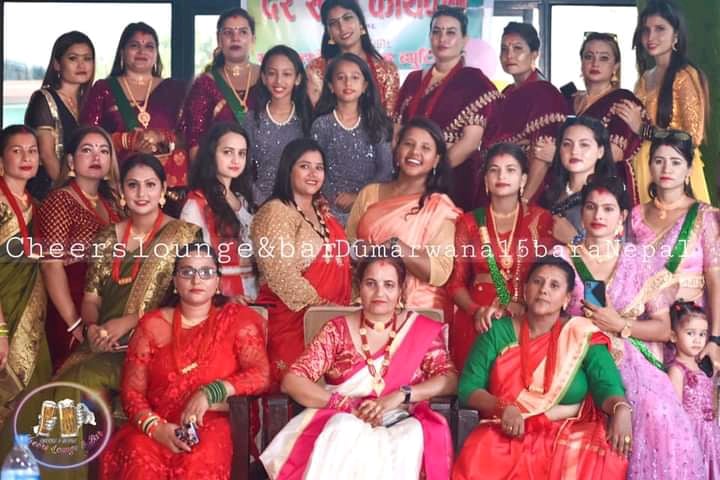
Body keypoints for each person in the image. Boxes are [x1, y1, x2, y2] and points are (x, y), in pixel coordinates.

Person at [557, 175, 706, 479]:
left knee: (657, 411)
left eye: (608, 209)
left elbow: (663, 328)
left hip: (633, 358)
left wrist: (620, 325)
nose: (598, 215)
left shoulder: (637, 260)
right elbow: (545, 316)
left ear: (622, 216)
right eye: (591, 207)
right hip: (577, 355)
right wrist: (584, 326)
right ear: (582, 213)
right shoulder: (562, 258)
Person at [260, 254, 457, 479]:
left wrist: (401, 395)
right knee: (345, 428)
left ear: (401, 290)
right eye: (371, 283)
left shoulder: (421, 331)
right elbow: (292, 381)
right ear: (359, 287)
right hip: (344, 416)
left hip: (399, 418)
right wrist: (345, 405)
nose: (380, 293)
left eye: (389, 285)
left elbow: (449, 379)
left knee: (410, 435)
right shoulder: (337, 331)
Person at [99, 242, 270, 479]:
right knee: (137, 453)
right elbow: (132, 393)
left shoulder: (237, 321)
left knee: (198, 460)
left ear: (218, 282)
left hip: (211, 422)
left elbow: (260, 375)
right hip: (157, 424)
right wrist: (157, 428)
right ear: (175, 282)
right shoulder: (152, 325)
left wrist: (211, 392)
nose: (196, 279)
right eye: (187, 272)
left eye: (206, 272)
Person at [453, 255, 631, 479]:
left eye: (554, 285)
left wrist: (621, 408)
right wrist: (502, 408)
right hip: (509, 429)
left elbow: (607, 384)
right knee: (480, 452)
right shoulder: (497, 332)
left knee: (607, 457)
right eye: (537, 282)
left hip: (570, 429)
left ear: (566, 299)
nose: (544, 290)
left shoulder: (581, 334)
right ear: (525, 290)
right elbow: (468, 388)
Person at [251, 138, 351, 388]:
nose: (313, 174)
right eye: (305, 166)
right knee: (297, 390)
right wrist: (324, 310)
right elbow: (280, 273)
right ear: (289, 169)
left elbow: (342, 263)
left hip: (332, 322)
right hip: (295, 323)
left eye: (319, 168)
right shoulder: (276, 212)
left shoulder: (322, 213)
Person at [447, 143, 554, 368]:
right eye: (494, 170)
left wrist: (526, 307)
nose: (501, 176)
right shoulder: (469, 222)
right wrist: (476, 311)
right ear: (486, 180)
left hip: (526, 318)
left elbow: (553, 274)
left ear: (523, 179)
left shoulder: (540, 219)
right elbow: (456, 284)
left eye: (510, 170)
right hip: (480, 319)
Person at [347, 117, 460, 321]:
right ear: (397, 150)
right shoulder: (370, 194)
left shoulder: (439, 207)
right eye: (408, 144)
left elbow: (440, 272)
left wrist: (396, 247)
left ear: (436, 160)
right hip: (366, 304)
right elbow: (346, 246)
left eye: (425, 148)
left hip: (417, 312)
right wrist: (360, 250)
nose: (415, 152)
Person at [630, 131, 720, 374]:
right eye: (659, 161)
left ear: (689, 169)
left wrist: (715, 339)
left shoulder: (704, 216)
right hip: (647, 325)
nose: (666, 168)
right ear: (650, 166)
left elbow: (715, 280)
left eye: (676, 162)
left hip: (691, 328)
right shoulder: (635, 215)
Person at [394, 6, 500, 211]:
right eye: (436, 31)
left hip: (452, 179)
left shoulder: (475, 82)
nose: (442, 38)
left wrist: (431, 174)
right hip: (409, 175)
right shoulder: (413, 80)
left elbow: (470, 142)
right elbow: (397, 132)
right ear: (430, 37)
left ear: (464, 40)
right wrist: (408, 169)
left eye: (451, 32)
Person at [37, 126, 121, 371]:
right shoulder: (60, 200)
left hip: (107, 302)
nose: (96, 157)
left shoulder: (113, 205)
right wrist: (74, 323)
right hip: (72, 302)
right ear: (71, 161)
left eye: (104, 151)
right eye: (87, 150)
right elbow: (51, 265)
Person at [616, 0, 711, 204]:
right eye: (646, 30)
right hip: (643, 165)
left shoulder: (685, 76)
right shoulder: (644, 78)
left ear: (676, 35)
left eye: (660, 29)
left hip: (674, 167)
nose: (651, 37)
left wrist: (643, 130)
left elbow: (692, 136)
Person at [80, 22, 187, 188]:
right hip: (118, 183)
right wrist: (128, 141)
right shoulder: (104, 88)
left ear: (156, 54)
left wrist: (160, 137)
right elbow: (86, 136)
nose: (142, 52)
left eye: (149, 46)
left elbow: (190, 136)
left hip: (169, 185)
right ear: (122, 52)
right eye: (134, 46)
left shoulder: (176, 89)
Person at [482, 22, 569, 206]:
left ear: (534, 54)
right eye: (504, 49)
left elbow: (541, 157)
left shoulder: (545, 94)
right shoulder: (507, 92)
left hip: (530, 190)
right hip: (501, 184)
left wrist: (525, 202)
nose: (509, 55)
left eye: (518, 48)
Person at [0, 126, 48, 435]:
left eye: (32, 151)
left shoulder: (37, 205)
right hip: (4, 313)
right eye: (17, 151)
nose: (26, 157)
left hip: (31, 313)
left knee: (34, 390)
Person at [312, 53, 393, 224]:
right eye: (341, 78)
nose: (348, 83)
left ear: (365, 86)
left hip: (369, 206)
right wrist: (334, 199)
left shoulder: (377, 124)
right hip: (329, 207)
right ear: (331, 86)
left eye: (355, 77)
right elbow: (316, 167)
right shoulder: (321, 125)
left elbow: (385, 171)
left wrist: (359, 197)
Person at [181, 123, 257, 302]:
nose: (236, 160)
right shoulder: (196, 203)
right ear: (211, 154)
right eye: (227, 152)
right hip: (220, 299)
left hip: (256, 296)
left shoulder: (243, 200)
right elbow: (192, 263)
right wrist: (223, 299)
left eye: (242, 153)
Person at [571, 32, 646, 205]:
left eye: (604, 58)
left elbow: (614, 154)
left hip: (605, 190)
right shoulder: (569, 100)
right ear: (581, 62)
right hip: (565, 185)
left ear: (615, 66)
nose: (595, 63)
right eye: (588, 57)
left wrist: (559, 155)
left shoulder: (622, 100)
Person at [182, 8, 260, 161]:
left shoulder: (267, 78)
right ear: (219, 39)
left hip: (266, 169)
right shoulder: (204, 83)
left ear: (253, 39)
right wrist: (205, 175)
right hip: (220, 169)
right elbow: (194, 141)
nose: (235, 38)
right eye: (228, 32)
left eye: (243, 32)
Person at [25, 31, 95, 200]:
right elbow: (46, 154)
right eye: (73, 58)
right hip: (51, 191)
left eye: (87, 58)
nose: (81, 65)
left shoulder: (91, 100)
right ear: (57, 64)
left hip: (86, 190)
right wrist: (72, 195)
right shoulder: (44, 99)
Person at [243, 45, 312, 204]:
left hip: (301, 204)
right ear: (263, 77)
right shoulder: (251, 120)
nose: (279, 81)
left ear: (298, 79)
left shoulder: (308, 120)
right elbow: (243, 171)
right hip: (261, 203)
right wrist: (262, 202)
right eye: (272, 73)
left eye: (286, 74)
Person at [307, 0, 399, 113]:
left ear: (360, 22)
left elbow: (390, 119)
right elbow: (313, 116)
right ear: (328, 32)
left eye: (347, 18)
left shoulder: (387, 71)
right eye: (333, 23)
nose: (342, 27)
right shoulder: (316, 70)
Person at [540, 116, 616, 244]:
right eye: (567, 144)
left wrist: (574, 240)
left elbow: (610, 253)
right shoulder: (548, 195)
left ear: (600, 151)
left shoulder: (610, 198)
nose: (574, 151)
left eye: (584, 145)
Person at [667, 301, 720, 479]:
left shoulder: (703, 366)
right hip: (691, 433)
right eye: (690, 333)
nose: (697, 340)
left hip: (710, 432)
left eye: (702, 334)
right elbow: (675, 411)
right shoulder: (677, 370)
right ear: (674, 336)